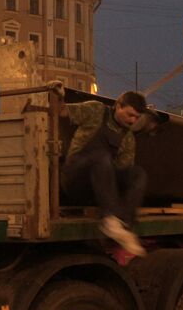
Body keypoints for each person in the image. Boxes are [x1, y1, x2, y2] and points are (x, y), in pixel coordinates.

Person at [62, 91, 150, 257]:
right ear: (118, 106)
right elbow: (62, 111)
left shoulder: (128, 138)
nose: (133, 121)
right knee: (101, 157)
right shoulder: (96, 111)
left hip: (99, 187)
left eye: (137, 118)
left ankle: (123, 226)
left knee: (138, 173)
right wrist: (57, 95)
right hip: (75, 178)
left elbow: (120, 174)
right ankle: (110, 219)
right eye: (130, 114)